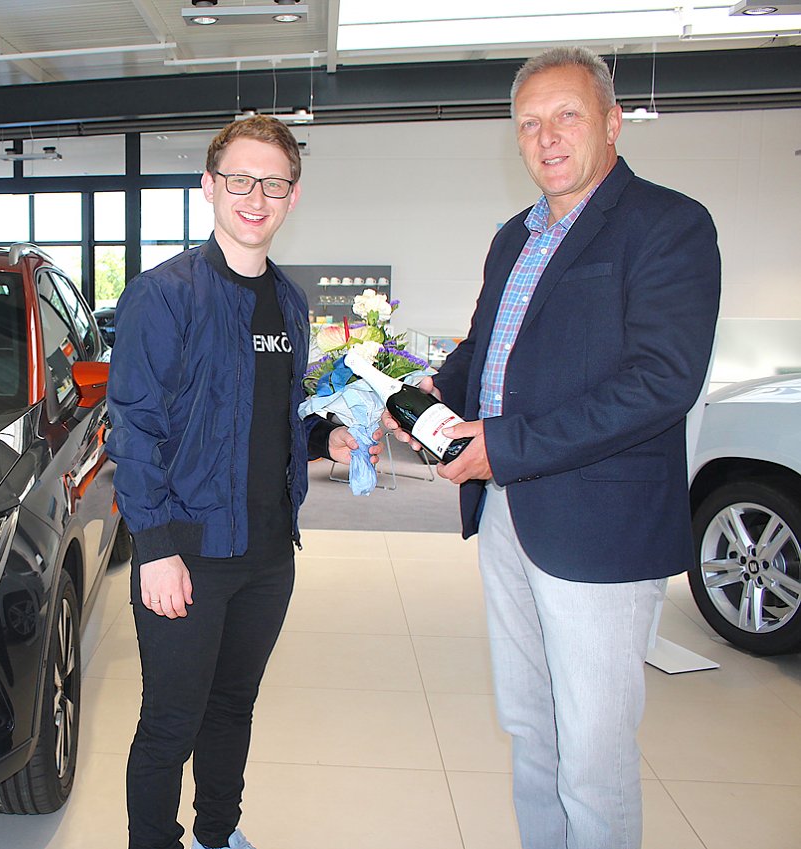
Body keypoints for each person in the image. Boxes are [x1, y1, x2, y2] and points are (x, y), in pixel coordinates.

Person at [382, 47, 720, 849]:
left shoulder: (668, 225)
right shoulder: (514, 236)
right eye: (529, 123)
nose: (548, 137)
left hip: (599, 529)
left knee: (593, 761)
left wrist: (507, 444)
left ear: (610, 121)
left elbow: (661, 381)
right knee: (533, 731)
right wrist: (436, 391)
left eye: (567, 114)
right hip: (508, 518)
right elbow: (489, 350)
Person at [106, 115, 376, 849]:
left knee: (234, 706)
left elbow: (274, 412)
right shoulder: (165, 296)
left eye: (274, 182)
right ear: (209, 187)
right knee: (170, 721)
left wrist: (326, 438)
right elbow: (132, 429)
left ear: (292, 196)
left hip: (266, 554)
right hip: (186, 554)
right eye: (240, 179)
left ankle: (218, 835)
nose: (256, 195)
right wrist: (155, 547)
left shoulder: (288, 301)